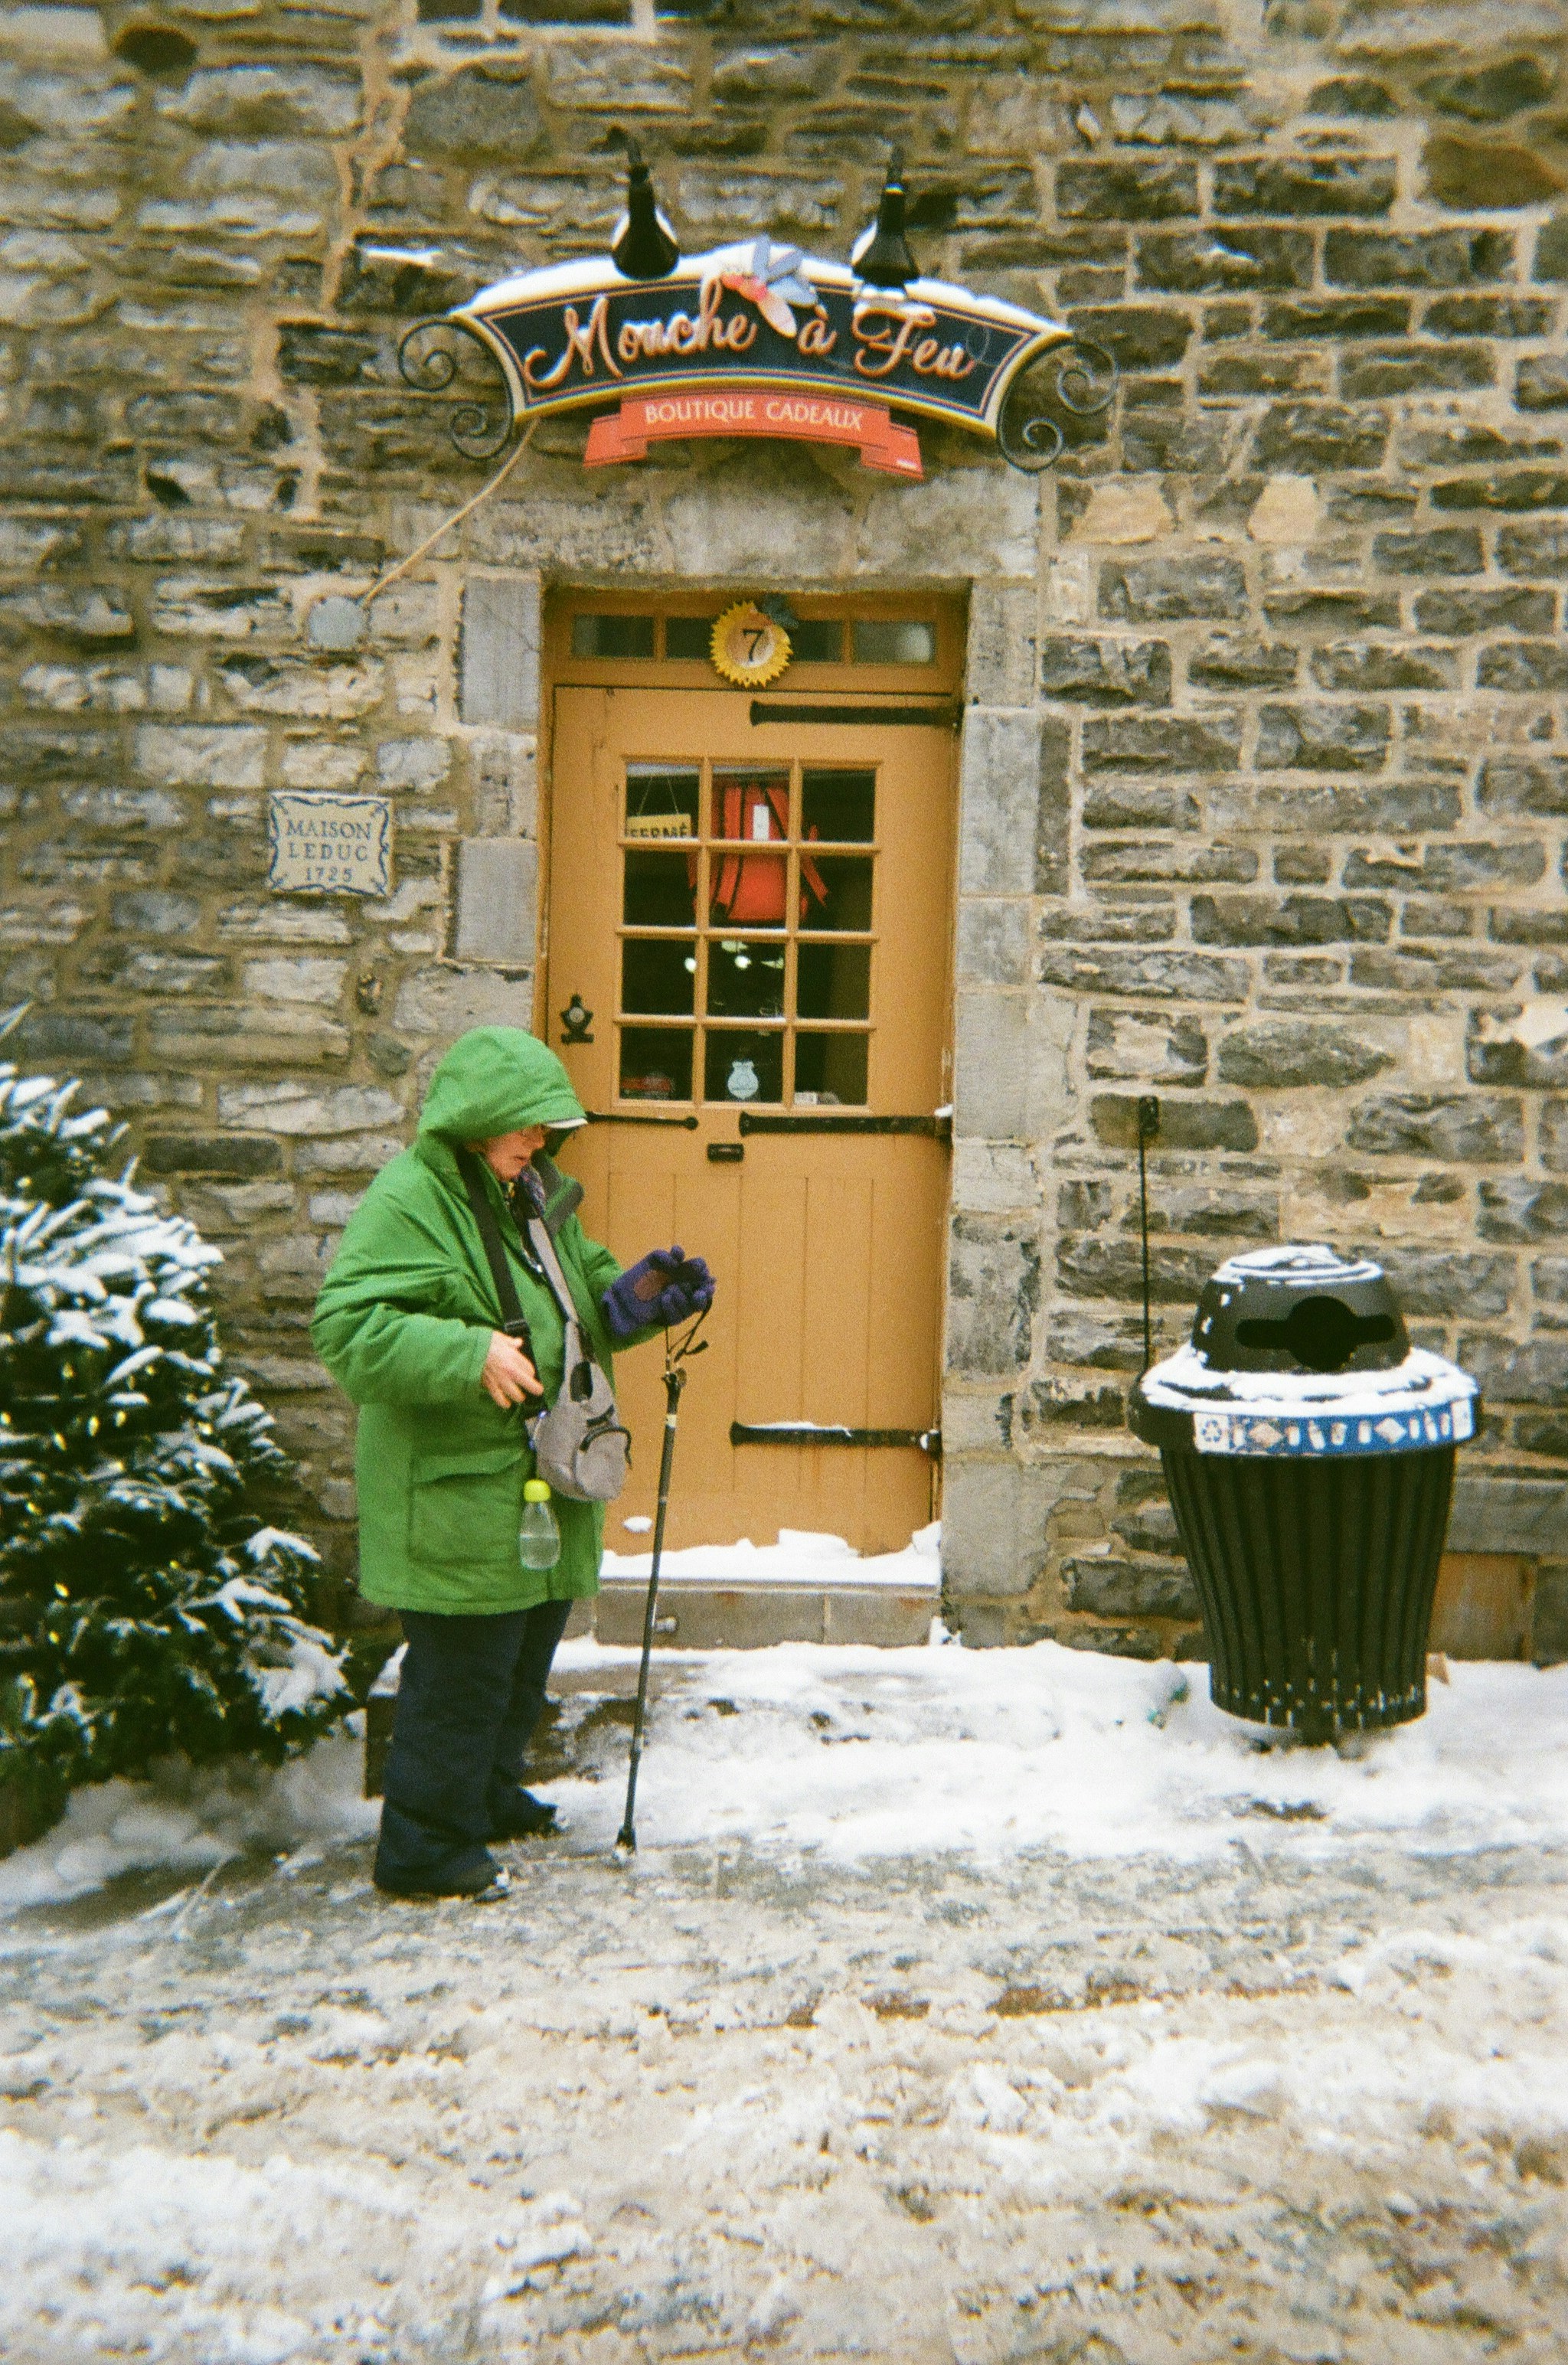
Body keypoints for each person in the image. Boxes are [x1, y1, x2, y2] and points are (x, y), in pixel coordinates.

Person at [312, 1027, 714, 1899]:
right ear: (479, 1116)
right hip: (457, 1485)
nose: (540, 1140)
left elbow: (578, 1303)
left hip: (533, 1479)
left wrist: (639, 1296)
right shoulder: (413, 1196)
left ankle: (483, 1795)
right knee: (460, 1672)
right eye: (527, 1124)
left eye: (546, 1127)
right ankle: (423, 1847)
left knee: (520, 1656)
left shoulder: (528, 1194)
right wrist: (467, 1354)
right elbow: (345, 1329)